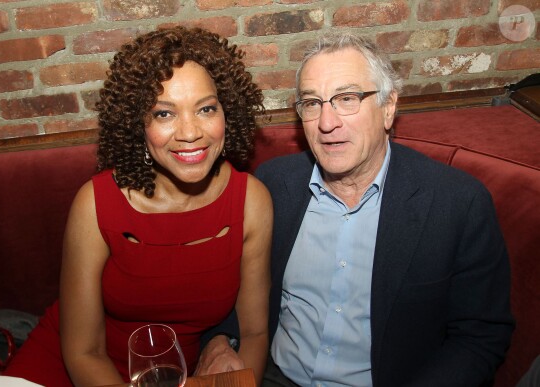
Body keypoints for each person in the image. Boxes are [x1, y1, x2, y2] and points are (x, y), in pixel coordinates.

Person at [200, 30, 514, 386]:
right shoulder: (274, 185)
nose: (327, 123)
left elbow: (480, 337)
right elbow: (231, 282)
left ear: (388, 107)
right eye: (312, 103)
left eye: (347, 98)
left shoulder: (456, 203)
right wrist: (220, 340)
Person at [2, 26, 272, 386]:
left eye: (206, 108)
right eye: (164, 114)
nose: (190, 132)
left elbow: (254, 333)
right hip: (74, 369)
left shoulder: (251, 201)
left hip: (169, 376)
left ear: (228, 113)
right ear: (137, 124)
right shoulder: (96, 202)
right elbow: (83, 351)